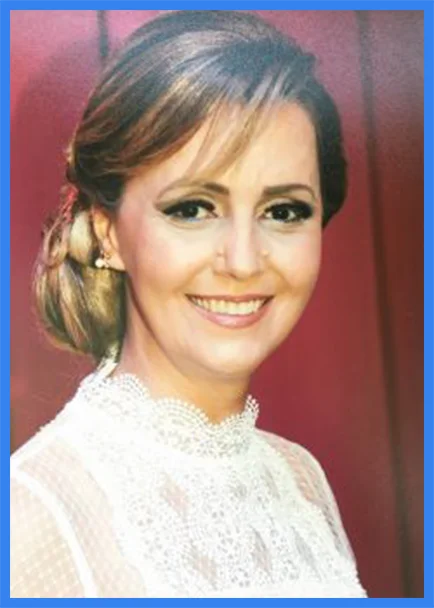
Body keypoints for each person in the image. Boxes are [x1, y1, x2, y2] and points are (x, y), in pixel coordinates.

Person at [10, 10, 368, 598]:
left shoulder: (301, 482)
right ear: (107, 233)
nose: (244, 261)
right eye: (193, 208)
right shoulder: (35, 513)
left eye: (283, 211)